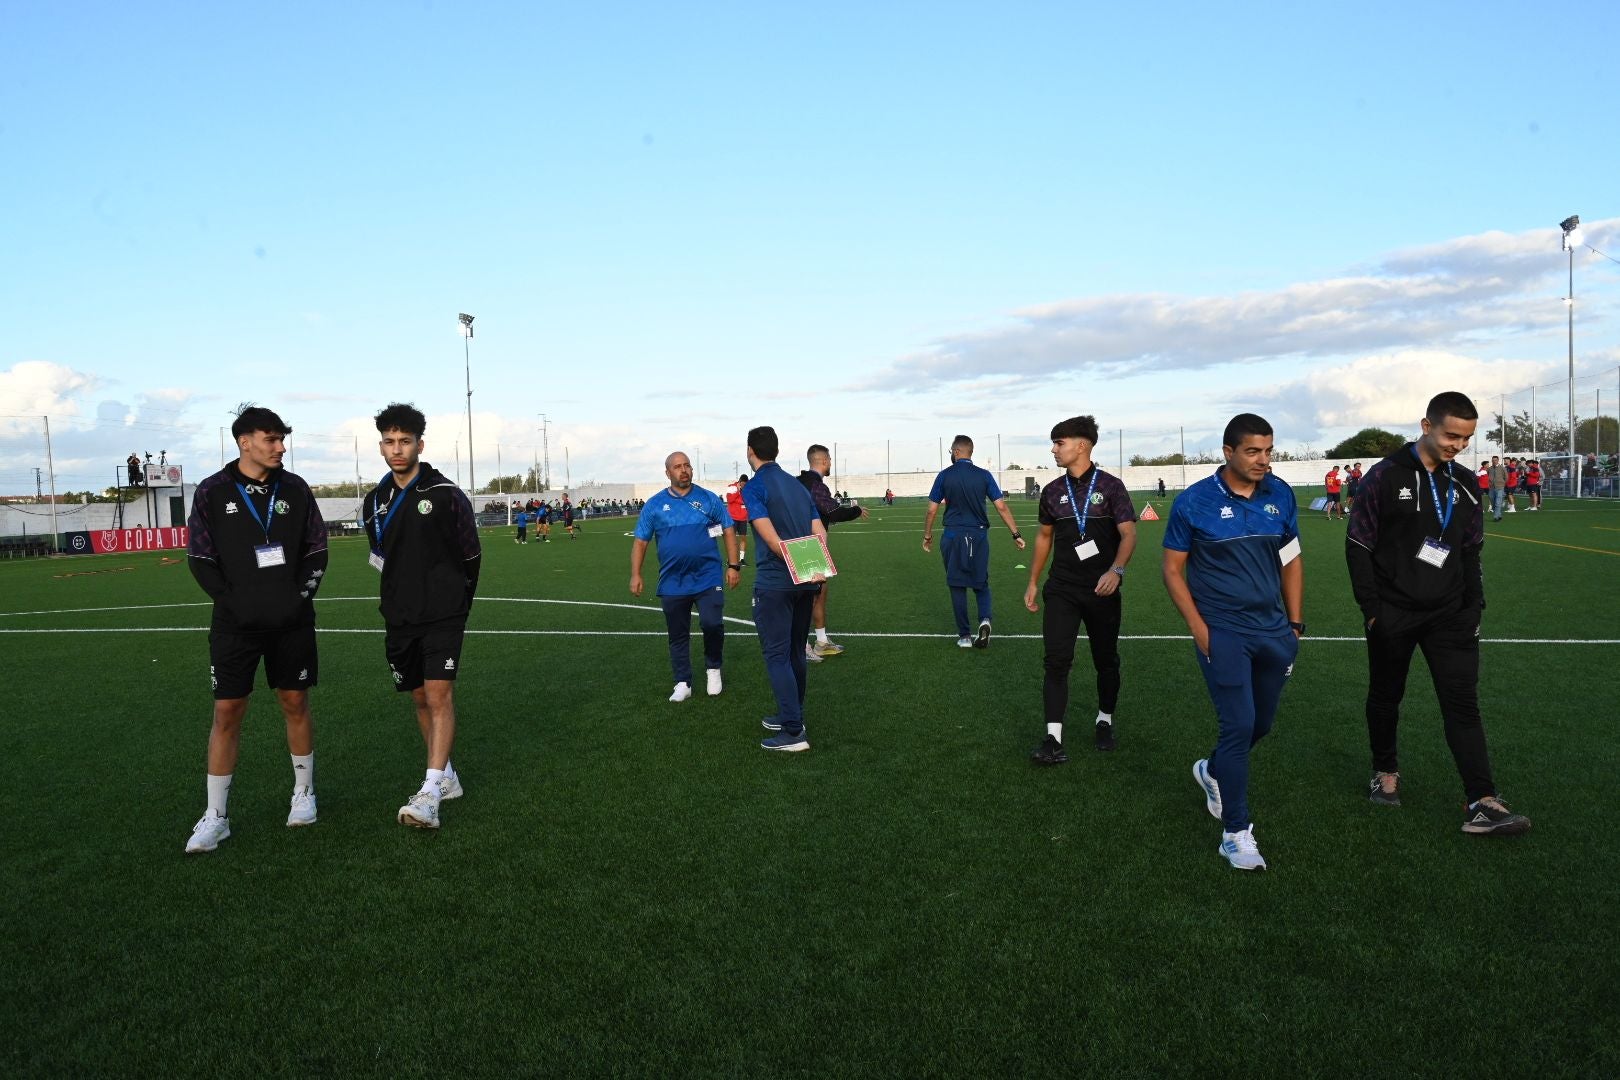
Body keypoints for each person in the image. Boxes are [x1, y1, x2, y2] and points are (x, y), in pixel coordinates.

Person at [1346, 391, 1530, 836]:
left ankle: (1482, 800)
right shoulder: (1384, 477)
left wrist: (1473, 606)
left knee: (1463, 703)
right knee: (1387, 696)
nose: (1458, 445)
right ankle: (1384, 771)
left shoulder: (1466, 482)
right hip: (1393, 612)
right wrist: (1373, 611)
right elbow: (1358, 546)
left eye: (1466, 438)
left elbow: (1471, 551)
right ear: (1426, 426)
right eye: (1451, 435)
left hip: (1450, 615)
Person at [183, 406, 329, 853]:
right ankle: (216, 816)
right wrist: (232, 602)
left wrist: (298, 597)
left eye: (282, 438)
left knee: (295, 701)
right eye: (272, 438)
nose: (281, 446)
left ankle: (303, 793)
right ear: (245, 441)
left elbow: (317, 550)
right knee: (227, 712)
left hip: (291, 622)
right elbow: (200, 557)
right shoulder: (212, 491)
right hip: (235, 627)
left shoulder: (297, 489)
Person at [1162, 413, 1303, 871]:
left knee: (1261, 725)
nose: (1264, 460)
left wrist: (1294, 625)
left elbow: (1291, 560)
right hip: (1223, 632)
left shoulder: (1280, 494)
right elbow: (1172, 570)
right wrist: (1201, 631)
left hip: (1274, 632)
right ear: (1228, 452)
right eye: (1253, 451)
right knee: (1238, 726)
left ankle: (1213, 772)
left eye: (1268, 450)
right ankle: (1235, 833)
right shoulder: (1194, 502)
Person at [363, 403, 482, 831]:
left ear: (420, 445)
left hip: (444, 613)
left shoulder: (447, 494)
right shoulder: (374, 502)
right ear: (381, 446)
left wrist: (456, 601)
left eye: (405, 441)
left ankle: (429, 792)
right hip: (399, 614)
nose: (397, 449)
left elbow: (471, 555)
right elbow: (380, 555)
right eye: (390, 442)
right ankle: (447, 775)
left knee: (438, 695)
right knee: (418, 698)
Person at [1024, 416, 1139, 762]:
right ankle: (1052, 739)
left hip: (1102, 589)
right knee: (1056, 661)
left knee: (1105, 659)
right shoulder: (1052, 491)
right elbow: (1044, 538)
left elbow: (1129, 534)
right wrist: (1032, 580)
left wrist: (1116, 571)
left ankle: (1104, 719)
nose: (1053, 449)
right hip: (1062, 588)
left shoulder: (1112, 486)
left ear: (1082, 445)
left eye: (1059, 442)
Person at [630, 451, 741, 701]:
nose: (684, 470)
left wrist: (733, 566)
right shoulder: (655, 505)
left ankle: (713, 669)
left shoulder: (709, 499)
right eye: (678, 467)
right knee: (677, 633)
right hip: (672, 581)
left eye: (687, 465)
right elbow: (640, 542)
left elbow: (728, 528)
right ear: (668, 472)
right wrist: (635, 574)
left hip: (707, 576)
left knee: (712, 624)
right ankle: (683, 682)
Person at [743, 426, 826, 751]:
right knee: (794, 653)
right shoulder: (796, 484)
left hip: (775, 584)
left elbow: (772, 541)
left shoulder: (756, 487)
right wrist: (815, 569)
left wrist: (799, 565)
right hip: (805, 582)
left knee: (777, 656)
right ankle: (792, 715)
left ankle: (793, 732)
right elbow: (820, 533)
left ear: (751, 451)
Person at [922, 435, 1027, 648]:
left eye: (951, 451)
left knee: (956, 584)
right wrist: (1016, 534)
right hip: (978, 535)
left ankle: (965, 636)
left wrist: (927, 535)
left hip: (953, 535)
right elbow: (1001, 507)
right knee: (981, 582)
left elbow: (932, 509)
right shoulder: (984, 475)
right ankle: (985, 620)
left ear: (956, 451)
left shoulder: (944, 475)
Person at [799, 444, 868, 660]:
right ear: (823, 461)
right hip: (808, 547)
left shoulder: (798, 482)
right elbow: (834, 512)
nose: (831, 463)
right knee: (809, 598)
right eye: (829, 460)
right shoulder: (815, 485)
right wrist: (856, 510)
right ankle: (802, 647)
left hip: (806, 546)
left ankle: (821, 641)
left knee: (821, 592)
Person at [724, 474, 751, 565]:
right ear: (739, 482)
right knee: (732, 539)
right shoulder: (732, 487)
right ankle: (730, 559)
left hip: (743, 518)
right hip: (733, 517)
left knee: (743, 538)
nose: (744, 486)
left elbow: (747, 501)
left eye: (745, 484)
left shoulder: (747, 489)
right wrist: (738, 492)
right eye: (743, 484)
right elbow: (729, 500)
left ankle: (742, 559)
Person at [1485, 455, 1507, 521]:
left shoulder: (1502, 468)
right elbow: (1488, 476)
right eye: (1493, 460)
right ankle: (1499, 514)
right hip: (1491, 488)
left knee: (1498, 502)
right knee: (1493, 502)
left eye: (1495, 460)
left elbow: (1506, 477)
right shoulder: (1490, 469)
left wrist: (1502, 484)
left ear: (1498, 460)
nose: (1494, 461)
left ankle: (1496, 517)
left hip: (1500, 487)